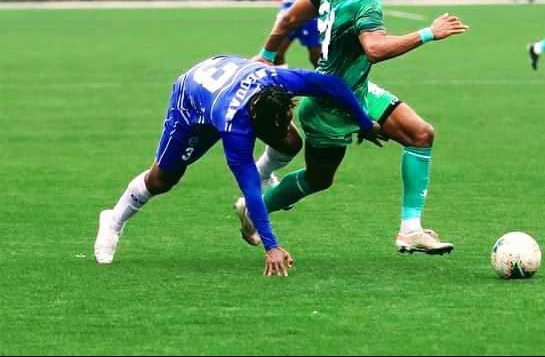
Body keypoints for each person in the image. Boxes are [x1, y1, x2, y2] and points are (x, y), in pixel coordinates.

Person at [242, 0, 469, 256]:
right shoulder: (366, 1)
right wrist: (428, 33)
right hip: (329, 107)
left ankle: (410, 231)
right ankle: (254, 208)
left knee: (420, 135)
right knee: (318, 179)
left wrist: (267, 54)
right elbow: (374, 49)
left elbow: (289, 18)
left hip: (357, 89)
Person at [93, 55, 385, 276]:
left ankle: (268, 172)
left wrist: (363, 122)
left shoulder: (278, 81)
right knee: (162, 180)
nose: (285, 126)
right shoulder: (236, 130)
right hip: (191, 102)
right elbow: (250, 190)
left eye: (286, 118)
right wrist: (271, 246)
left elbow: (332, 84)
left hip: (225, 80)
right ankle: (113, 220)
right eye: (276, 126)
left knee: (290, 142)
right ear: (256, 123)